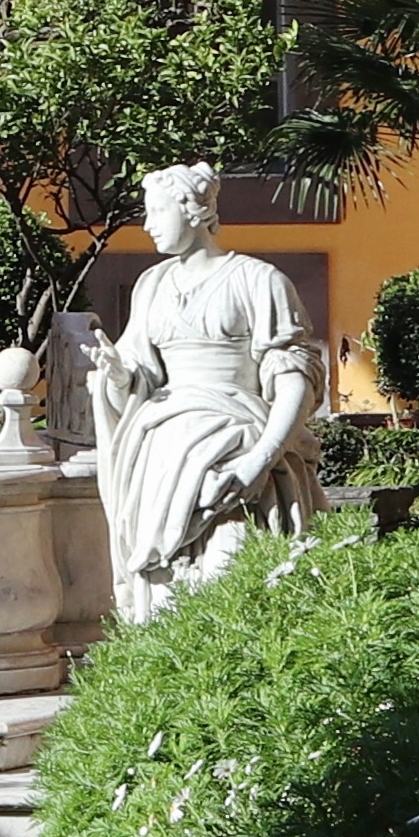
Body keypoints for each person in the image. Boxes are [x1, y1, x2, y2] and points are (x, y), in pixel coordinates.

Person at [85, 165, 321, 616]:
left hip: (236, 444)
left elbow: (295, 377)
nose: (148, 225)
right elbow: (139, 374)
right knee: (168, 590)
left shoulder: (258, 280)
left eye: (157, 212)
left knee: (233, 571)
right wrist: (117, 377)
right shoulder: (152, 285)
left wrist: (260, 458)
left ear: (193, 212)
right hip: (164, 455)